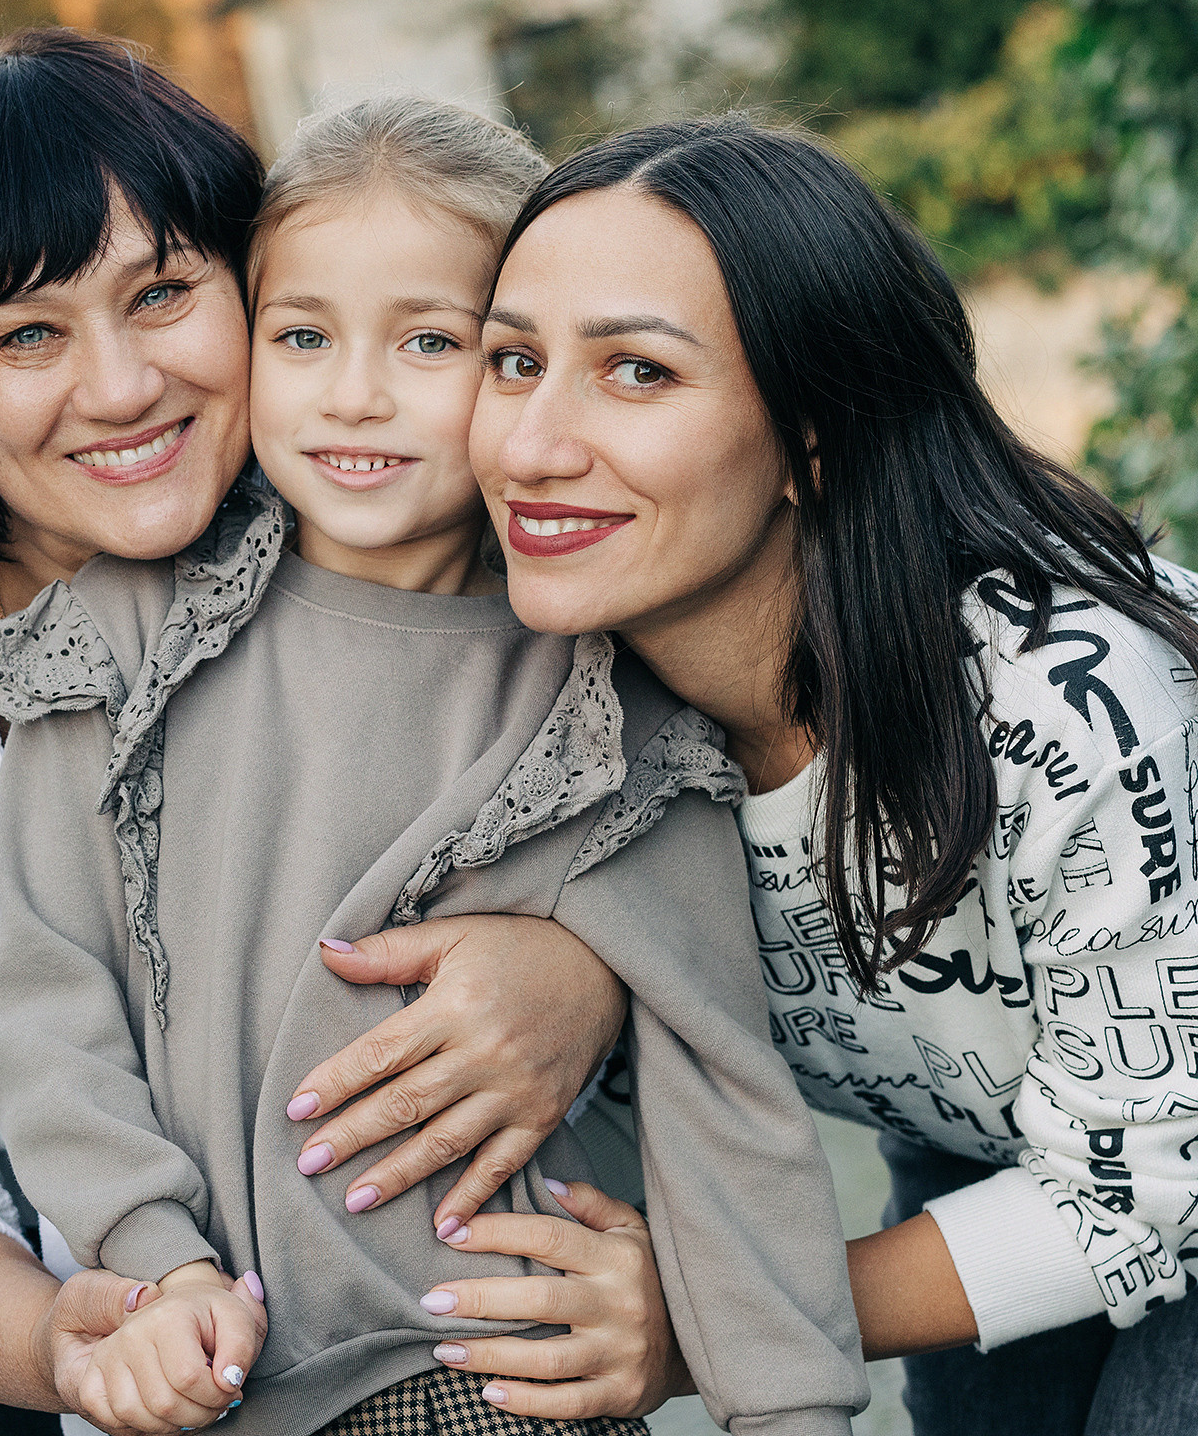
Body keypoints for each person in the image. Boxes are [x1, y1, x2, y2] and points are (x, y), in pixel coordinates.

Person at [0, 30, 633, 1436]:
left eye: (161, 295)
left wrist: (588, 971)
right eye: (28, 334)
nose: (119, 389)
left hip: (400, 1337)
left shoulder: (378, 487)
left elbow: (635, 781)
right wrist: (66, 1341)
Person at [0, 95, 866, 1436]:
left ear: (520, 373)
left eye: (434, 342)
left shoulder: (610, 719)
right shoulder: (125, 638)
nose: (357, 393)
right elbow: (49, 994)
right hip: (203, 1362)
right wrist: (152, 1258)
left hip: (486, 1377)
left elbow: (724, 1105)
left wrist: (792, 1413)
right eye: (304, 335)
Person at [434, 114, 1198, 1436]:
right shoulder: (544, 708)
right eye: (513, 360)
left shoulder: (1071, 705)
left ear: (814, 436)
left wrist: (712, 1319)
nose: (531, 443)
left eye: (636, 374)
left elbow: (1135, 1192)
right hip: (994, 1134)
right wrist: (571, 962)